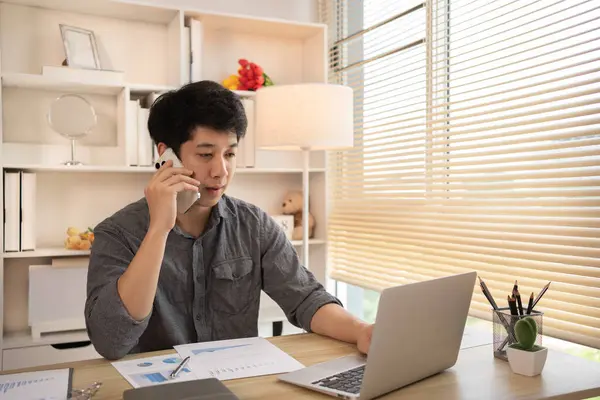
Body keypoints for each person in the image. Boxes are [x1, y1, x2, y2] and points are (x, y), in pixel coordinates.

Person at [84, 80, 373, 360]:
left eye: (230, 153)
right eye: (206, 154)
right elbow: (111, 342)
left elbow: (306, 299)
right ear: (166, 155)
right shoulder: (117, 233)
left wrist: (361, 331)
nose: (221, 171)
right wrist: (159, 229)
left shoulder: (254, 225)